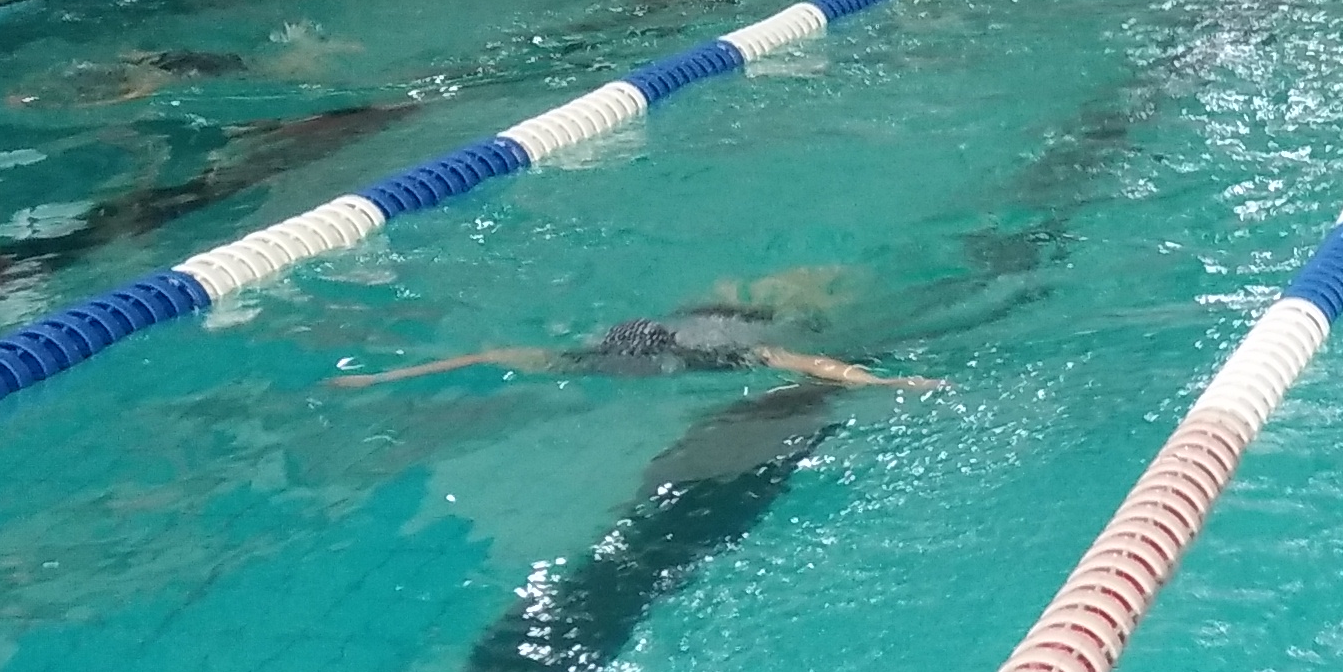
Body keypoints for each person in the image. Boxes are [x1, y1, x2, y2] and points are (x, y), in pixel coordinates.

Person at [338, 301, 945, 388]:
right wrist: (378, 378)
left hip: (729, 324)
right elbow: (489, 355)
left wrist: (883, 380)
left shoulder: (711, 354)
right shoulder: (594, 358)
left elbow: (801, 359)